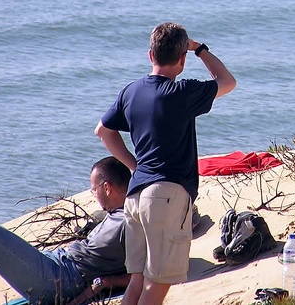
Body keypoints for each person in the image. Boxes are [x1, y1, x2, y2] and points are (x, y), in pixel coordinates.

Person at [95, 22, 236, 305]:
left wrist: (134, 166)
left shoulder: (131, 92)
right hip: (166, 197)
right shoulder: (181, 92)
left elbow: (103, 131)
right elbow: (227, 81)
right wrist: (201, 49)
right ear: (182, 60)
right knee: (157, 286)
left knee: (136, 282)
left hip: (135, 198)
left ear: (150, 55)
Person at [0, 157, 131, 305]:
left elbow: (150, 272)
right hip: (58, 262)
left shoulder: (129, 221)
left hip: (64, 279)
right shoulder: (115, 212)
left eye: (94, 190)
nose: (94, 195)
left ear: (107, 188)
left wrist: (105, 282)